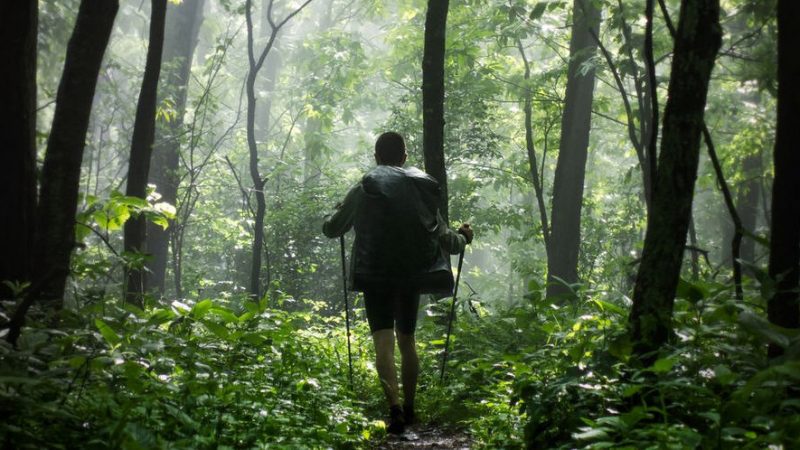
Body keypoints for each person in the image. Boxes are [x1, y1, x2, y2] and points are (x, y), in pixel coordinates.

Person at [322, 131, 473, 434]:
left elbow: (332, 229)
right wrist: (464, 237)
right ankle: (411, 407)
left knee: (383, 342)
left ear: (376, 157)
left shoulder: (364, 187)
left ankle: (394, 411)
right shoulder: (420, 190)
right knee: (407, 341)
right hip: (412, 276)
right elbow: (447, 240)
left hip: (374, 274)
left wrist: (334, 212)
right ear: (404, 158)